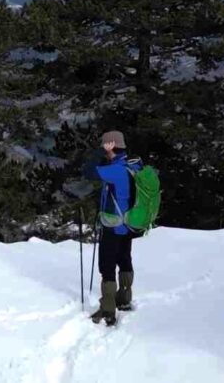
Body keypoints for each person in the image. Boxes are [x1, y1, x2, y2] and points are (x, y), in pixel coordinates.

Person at [82, 130, 136, 326]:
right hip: (129, 224)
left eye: (105, 146)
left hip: (113, 225)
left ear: (111, 145)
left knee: (107, 266)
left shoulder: (115, 170)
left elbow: (88, 171)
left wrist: (98, 154)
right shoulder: (133, 165)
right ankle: (124, 298)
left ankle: (107, 309)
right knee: (124, 259)